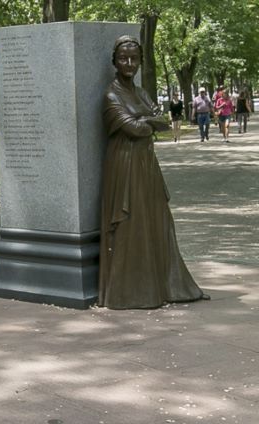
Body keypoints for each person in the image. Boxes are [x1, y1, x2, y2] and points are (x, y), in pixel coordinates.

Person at [99, 35, 208, 309]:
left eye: (134, 59)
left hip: (147, 162)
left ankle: (164, 284)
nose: (129, 63)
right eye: (123, 58)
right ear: (114, 61)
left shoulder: (142, 93)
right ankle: (130, 291)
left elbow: (161, 121)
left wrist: (146, 120)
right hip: (125, 164)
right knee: (131, 222)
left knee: (158, 217)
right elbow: (136, 128)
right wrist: (148, 120)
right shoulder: (111, 95)